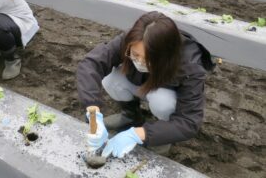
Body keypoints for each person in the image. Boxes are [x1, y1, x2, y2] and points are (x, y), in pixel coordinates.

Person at [77, 11, 215, 158]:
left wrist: (138, 134)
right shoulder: (132, 40)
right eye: (135, 55)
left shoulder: (190, 64)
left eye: (149, 59)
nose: (140, 62)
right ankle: (131, 116)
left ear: (166, 56)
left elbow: (189, 122)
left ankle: (162, 138)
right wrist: (93, 114)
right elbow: (91, 64)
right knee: (111, 79)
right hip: (139, 82)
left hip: (162, 92)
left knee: (162, 102)